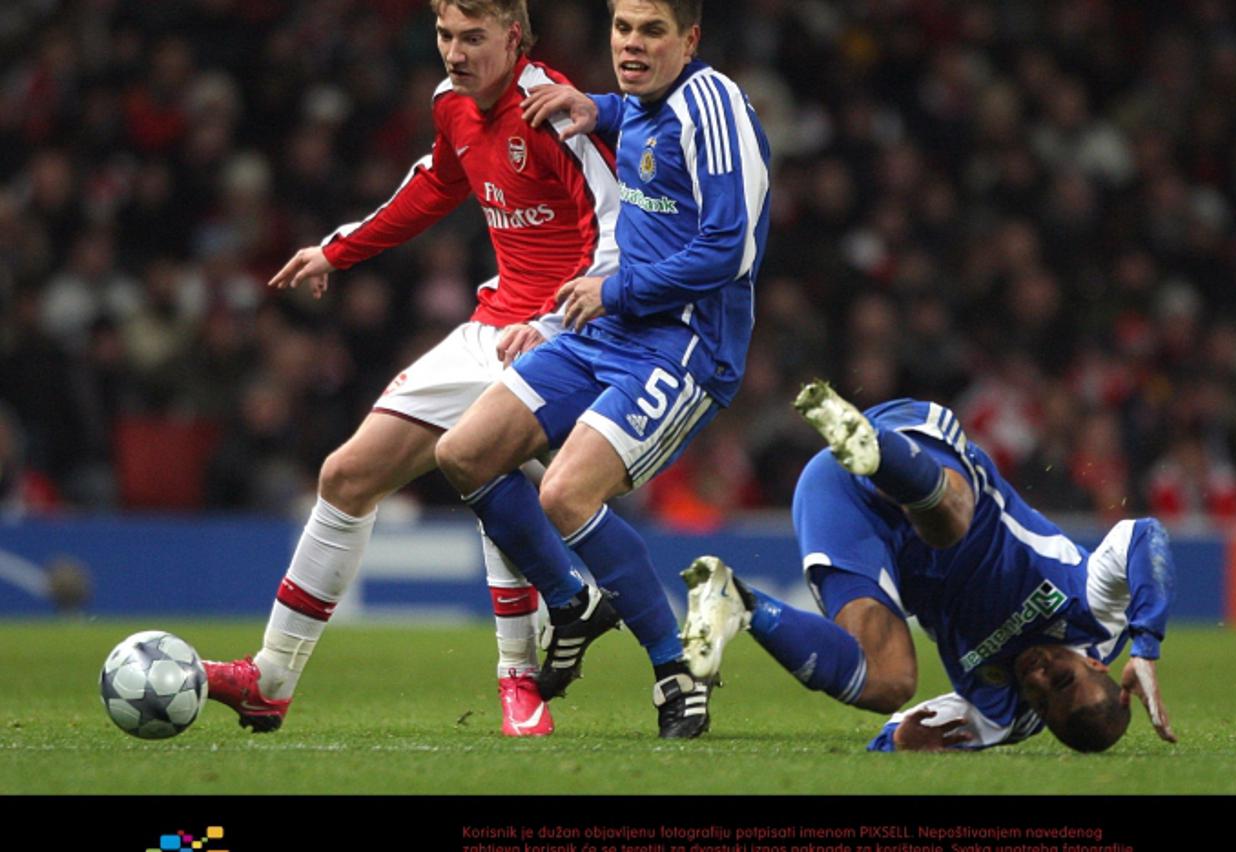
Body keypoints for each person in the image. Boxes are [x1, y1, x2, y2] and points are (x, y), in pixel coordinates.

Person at [202, 0, 621, 738]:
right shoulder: (452, 104)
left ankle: (519, 681)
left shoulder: (554, 112)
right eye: (444, 36)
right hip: (493, 325)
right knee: (345, 475)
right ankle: (269, 680)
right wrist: (338, 248)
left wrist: (552, 322)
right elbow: (431, 185)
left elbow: (616, 233)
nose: (455, 53)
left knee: (490, 464)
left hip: (568, 333)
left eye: (473, 37)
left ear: (515, 37)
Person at [433, 0, 771, 738]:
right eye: (622, 29)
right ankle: (571, 602)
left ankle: (675, 675)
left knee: (565, 492)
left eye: (653, 31)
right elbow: (645, 131)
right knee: (463, 453)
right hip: (606, 330)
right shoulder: (644, 106)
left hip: (684, 346)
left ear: (691, 39)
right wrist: (602, 105)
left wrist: (611, 290)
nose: (632, 44)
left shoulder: (711, 103)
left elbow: (731, 249)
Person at [682, 381, 1178, 752]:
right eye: (1063, 680)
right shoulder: (1099, 616)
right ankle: (870, 447)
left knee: (888, 680)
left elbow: (893, 730)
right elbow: (1144, 536)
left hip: (840, 503)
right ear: (1094, 662)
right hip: (924, 458)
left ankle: (739, 602)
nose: (1040, 682)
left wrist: (900, 740)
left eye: (1044, 704)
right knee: (951, 523)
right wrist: (1147, 643)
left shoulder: (999, 713)